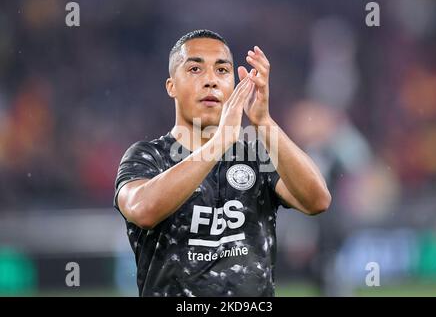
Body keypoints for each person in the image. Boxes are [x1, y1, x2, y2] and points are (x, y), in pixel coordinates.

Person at [113, 29, 331, 297]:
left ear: (235, 84)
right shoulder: (148, 156)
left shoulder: (257, 156)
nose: (210, 81)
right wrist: (218, 143)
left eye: (222, 70)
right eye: (195, 69)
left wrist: (264, 122)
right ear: (172, 86)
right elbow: (143, 210)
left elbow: (317, 201)